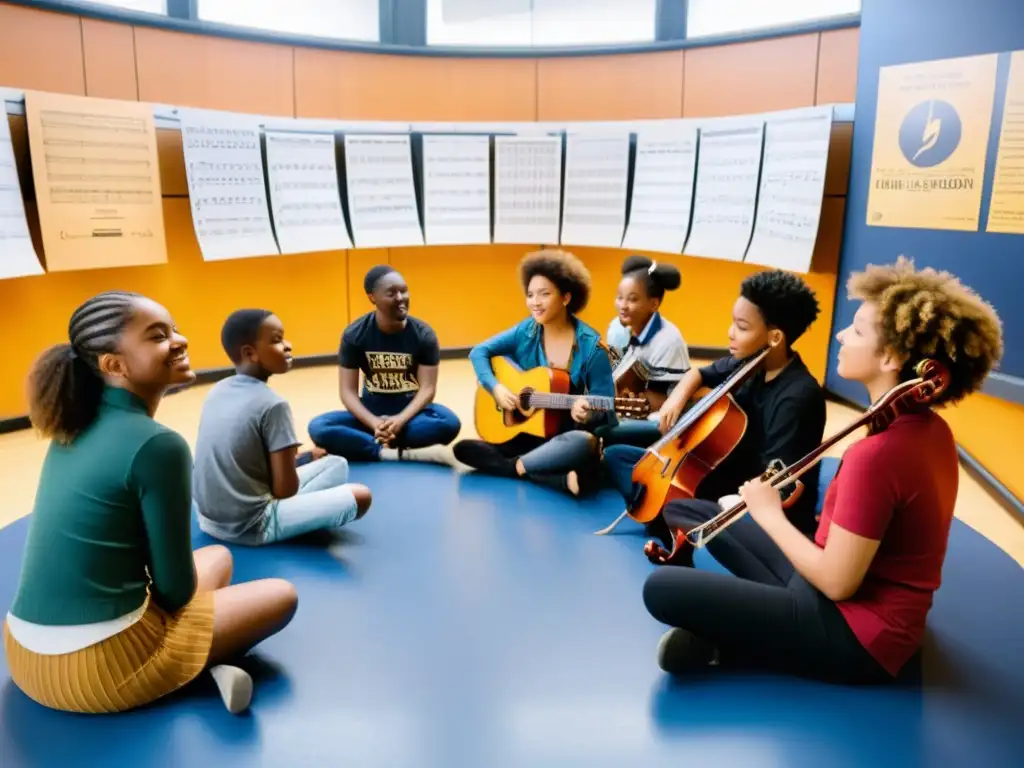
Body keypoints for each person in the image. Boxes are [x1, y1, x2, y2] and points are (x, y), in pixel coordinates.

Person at [643, 257, 1003, 684]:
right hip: (852, 604)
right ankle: (741, 635)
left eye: (856, 330)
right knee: (708, 517)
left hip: (859, 638)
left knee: (660, 588)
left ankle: (732, 643)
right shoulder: (933, 431)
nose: (841, 335)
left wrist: (770, 513)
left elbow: (837, 584)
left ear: (890, 356)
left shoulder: (877, 454)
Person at [3, 292, 298, 715]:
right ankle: (198, 667)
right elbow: (176, 591)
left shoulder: (72, 426)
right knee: (281, 594)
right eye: (159, 336)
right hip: (94, 670)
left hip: (25, 654)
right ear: (114, 365)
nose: (180, 340)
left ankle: (200, 658)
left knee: (217, 557)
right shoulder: (158, 446)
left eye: (174, 329)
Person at [602, 269, 826, 540]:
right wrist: (676, 399)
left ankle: (668, 511)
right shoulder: (749, 362)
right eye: (733, 323)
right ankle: (664, 510)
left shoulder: (798, 397)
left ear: (775, 337)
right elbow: (700, 374)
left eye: (742, 327)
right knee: (617, 455)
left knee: (673, 497)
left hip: (744, 494)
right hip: (715, 468)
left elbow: (775, 483)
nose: (730, 333)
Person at [192, 309, 372, 546]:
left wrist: (302, 457)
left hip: (207, 519)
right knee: (361, 496)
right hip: (251, 526)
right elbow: (285, 490)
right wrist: (291, 460)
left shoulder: (218, 389)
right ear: (250, 353)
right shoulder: (274, 405)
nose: (288, 345)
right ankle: (293, 522)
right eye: (277, 340)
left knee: (336, 464)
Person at [453, 249, 616, 497]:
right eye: (530, 295)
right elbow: (479, 352)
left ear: (566, 297)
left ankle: (518, 467)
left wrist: (587, 413)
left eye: (544, 294)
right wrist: (495, 388)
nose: (535, 302)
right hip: (528, 432)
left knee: (584, 444)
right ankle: (548, 476)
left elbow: (608, 407)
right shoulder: (525, 331)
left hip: (564, 439)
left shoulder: (592, 347)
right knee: (463, 449)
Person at [308, 266, 462, 465]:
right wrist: (373, 423)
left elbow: (427, 389)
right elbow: (347, 392)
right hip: (371, 410)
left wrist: (399, 420)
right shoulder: (355, 334)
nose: (400, 298)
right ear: (373, 298)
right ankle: (389, 451)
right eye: (391, 293)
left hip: (410, 412)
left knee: (449, 423)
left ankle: (367, 444)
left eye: (403, 290)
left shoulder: (424, 334)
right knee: (319, 427)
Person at [599, 255, 691, 449]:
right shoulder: (618, 328)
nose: (623, 306)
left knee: (600, 429)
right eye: (619, 297)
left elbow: (658, 402)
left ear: (654, 304)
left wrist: (615, 406)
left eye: (632, 300)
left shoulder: (668, 339)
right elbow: (612, 375)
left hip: (661, 421)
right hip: (630, 411)